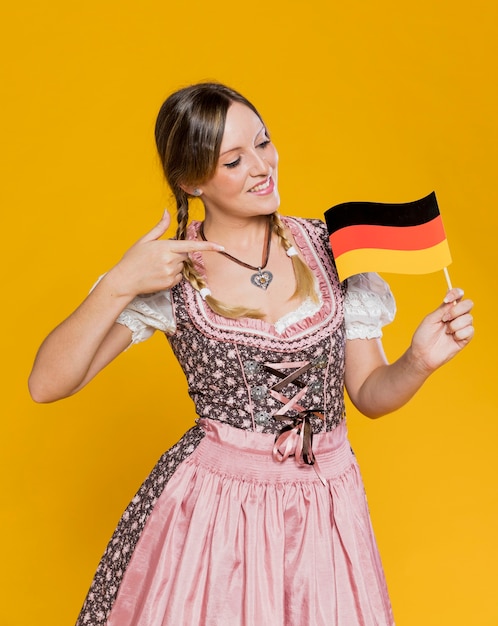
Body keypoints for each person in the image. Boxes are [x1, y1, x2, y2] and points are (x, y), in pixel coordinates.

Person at [28, 82, 474, 626]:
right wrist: (117, 284)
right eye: (235, 160)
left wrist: (419, 361)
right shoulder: (171, 272)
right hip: (214, 516)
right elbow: (46, 384)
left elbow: (369, 396)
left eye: (264, 143)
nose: (263, 166)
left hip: (325, 512)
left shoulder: (332, 250)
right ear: (191, 180)